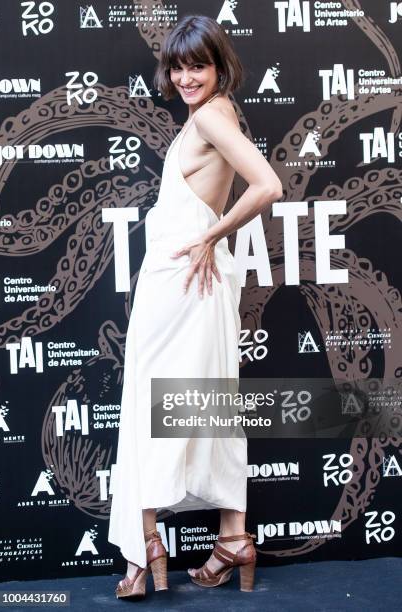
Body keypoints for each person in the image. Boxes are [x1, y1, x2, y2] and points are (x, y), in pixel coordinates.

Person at [108, 13, 283, 599]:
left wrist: (212, 235)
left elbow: (267, 185)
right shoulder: (214, 114)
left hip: (181, 281)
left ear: (219, 65)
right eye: (178, 67)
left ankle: (143, 549)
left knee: (152, 406)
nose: (187, 78)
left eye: (198, 66)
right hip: (185, 284)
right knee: (206, 403)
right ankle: (232, 539)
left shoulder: (211, 113)